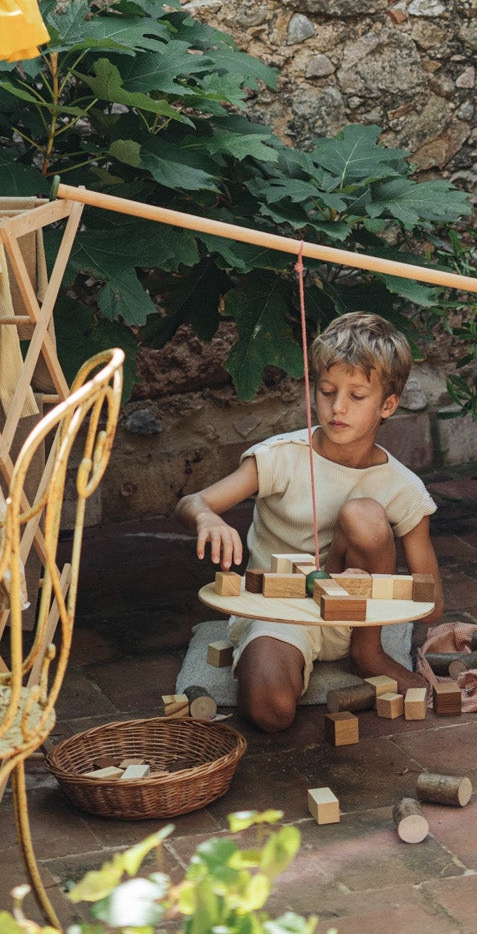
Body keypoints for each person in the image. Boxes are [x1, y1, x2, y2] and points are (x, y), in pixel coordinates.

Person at [176, 310, 443, 732]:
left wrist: (366, 585)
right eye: (327, 391)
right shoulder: (281, 457)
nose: (337, 407)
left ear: (388, 404)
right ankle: (275, 660)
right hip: (278, 610)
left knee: (363, 514)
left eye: (357, 396)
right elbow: (192, 501)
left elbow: (431, 606)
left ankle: (368, 654)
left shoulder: (402, 487)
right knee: (269, 712)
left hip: (353, 619)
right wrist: (207, 518)